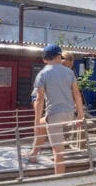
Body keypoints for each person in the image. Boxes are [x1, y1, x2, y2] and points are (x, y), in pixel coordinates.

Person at [33, 44, 84, 175]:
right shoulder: (69, 72)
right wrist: (80, 115)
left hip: (55, 115)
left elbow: (39, 100)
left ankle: (59, 180)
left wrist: (36, 122)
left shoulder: (42, 74)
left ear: (45, 60)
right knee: (45, 123)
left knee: (58, 153)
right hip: (68, 114)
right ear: (59, 56)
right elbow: (77, 94)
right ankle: (33, 154)